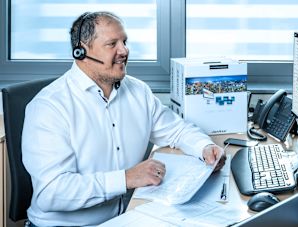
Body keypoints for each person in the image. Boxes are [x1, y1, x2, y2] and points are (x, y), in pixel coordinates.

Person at [22, 11, 226, 226]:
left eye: (124, 41)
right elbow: (51, 192)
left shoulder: (137, 90)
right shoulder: (49, 107)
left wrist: (204, 147)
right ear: (81, 51)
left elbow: (176, 130)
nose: (124, 50)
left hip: (126, 217)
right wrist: (126, 178)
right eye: (112, 44)